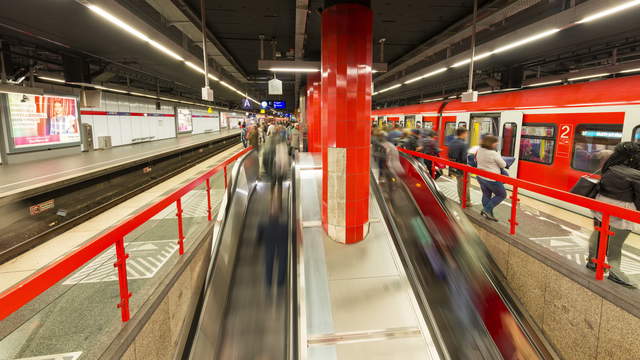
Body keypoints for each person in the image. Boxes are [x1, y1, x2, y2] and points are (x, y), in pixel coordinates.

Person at [586, 142, 640, 287]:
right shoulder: (636, 175)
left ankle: (593, 261)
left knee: (598, 235)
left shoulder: (610, 167)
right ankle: (615, 272)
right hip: (621, 212)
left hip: (600, 207)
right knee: (615, 245)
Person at [476, 135, 507, 222]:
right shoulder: (493, 153)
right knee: (502, 195)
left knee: (486, 194)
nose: (496, 144)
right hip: (492, 179)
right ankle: (486, 210)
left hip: (481, 177)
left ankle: (488, 214)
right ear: (491, 143)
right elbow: (503, 165)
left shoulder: (480, 150)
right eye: (495, 142)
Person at [448, 127, 471, 205]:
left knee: (460, 184)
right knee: (465, 185)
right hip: (462, 167)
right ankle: (465, 202)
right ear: (463, 134)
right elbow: (464, 158)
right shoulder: (463, 144)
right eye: (466, 133)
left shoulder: (451, 142)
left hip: (454, 166)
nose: (467, 135)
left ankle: (462, 200)